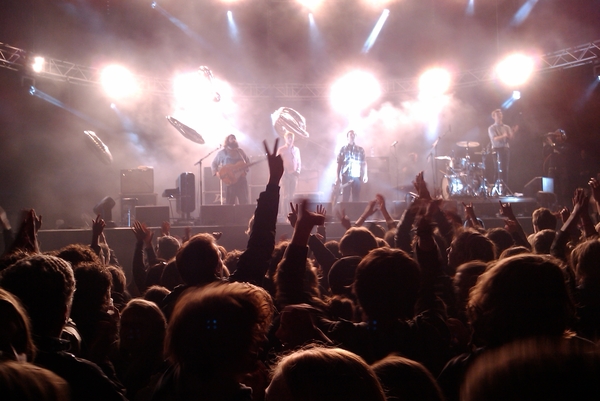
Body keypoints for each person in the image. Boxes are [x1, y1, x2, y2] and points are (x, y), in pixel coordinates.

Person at [211, 134, 250, 205]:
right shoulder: (222, 153)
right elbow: (213, 164)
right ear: (227, 141)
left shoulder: (240, 152)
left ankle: (244, 216)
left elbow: (248, 162)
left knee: (244, 202)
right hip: (230, 181)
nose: (233, 140)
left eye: (234, 138)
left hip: (241, 180)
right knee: (230, 203)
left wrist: (244, 170)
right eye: (231, 138)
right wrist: (217, 173)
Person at [487, 109, 515, 194]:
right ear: (493, 117)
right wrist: (503, 136)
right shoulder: (492, 128)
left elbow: (511, 138)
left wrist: (512, 133)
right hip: (496, 149)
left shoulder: (506, 127)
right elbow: (494, 138)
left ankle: (505, 190)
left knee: (505, 169)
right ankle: (496, 190)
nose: (500, 116)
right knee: (497, 169)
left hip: (505, 149)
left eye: (500, 115)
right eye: (497, 115)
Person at [336, 130, 368, 202]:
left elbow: (364, 163)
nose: (352, 136)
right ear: (347, 137)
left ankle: (355, 212)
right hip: (346, 176)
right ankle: (344, 212)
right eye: (350, 135)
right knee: (346, 196)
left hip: (356, 176)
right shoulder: (343, 149)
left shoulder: (360, 149)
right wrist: (337, 177)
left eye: (353, 135)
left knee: (356, 196)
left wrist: (365, 175)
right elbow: (339, 164)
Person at [277, 131, 301, 211]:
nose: (290, 139)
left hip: (293, 175)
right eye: (288, 138)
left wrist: (297, 171)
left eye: (291, 138)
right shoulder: (281, 149)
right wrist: (282, 172)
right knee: (285, 195)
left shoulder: (296, 149)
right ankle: (285, 214)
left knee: (292, 195)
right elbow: (277, 162)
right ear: (285, 139)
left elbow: (298, 161)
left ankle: (292, 213)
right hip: (285, 175)